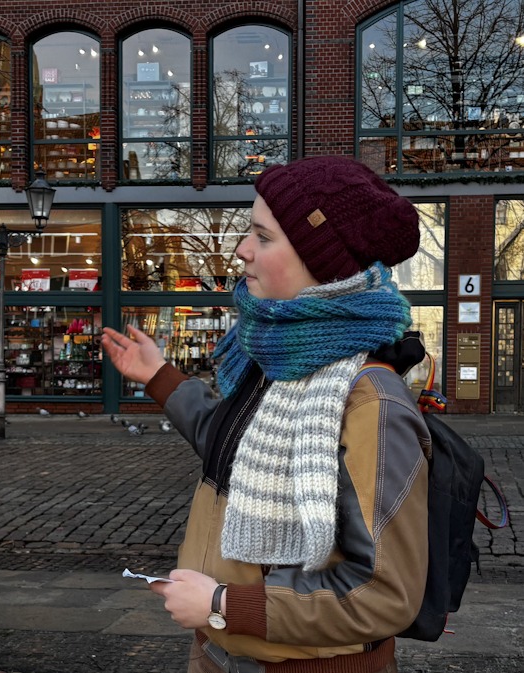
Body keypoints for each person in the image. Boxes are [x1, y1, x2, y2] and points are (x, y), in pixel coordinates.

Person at [102, 155, 431, 673]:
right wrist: (161, 377)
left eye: (263, 236)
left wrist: (224, 605)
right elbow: (229, 447)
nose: (241, 251)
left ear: (321, 261)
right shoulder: (272, 360)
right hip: (219, 651)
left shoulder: (371, 402)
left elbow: (383, 593)